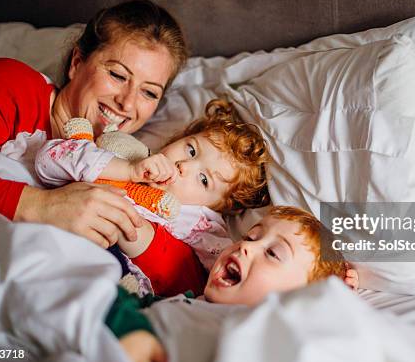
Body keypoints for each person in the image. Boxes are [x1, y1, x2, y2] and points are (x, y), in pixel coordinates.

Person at [0, 0, 188, 248]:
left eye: (149, 92)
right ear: (77, 63)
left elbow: (184, 273)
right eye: (117, 75)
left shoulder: (127, 166)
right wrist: (42, 205)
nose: (128, 104)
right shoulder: (9, 86)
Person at [36, 99, 271, 297]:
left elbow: (206, 284)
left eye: (204, 180)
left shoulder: (200, 224)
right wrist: (126, 169)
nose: (184, 167)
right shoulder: (126, 156)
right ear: (178, 138)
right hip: (56, 233)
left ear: (217, 207)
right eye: (191, 150)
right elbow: (47, 161)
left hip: (113, 279)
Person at [108, 206, 360, 362]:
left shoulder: (264, 331)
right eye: (250, 236)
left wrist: (333, 298)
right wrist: (130, 328)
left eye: (273, 253)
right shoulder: (181, 301)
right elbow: (111, 302)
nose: (247, 246)